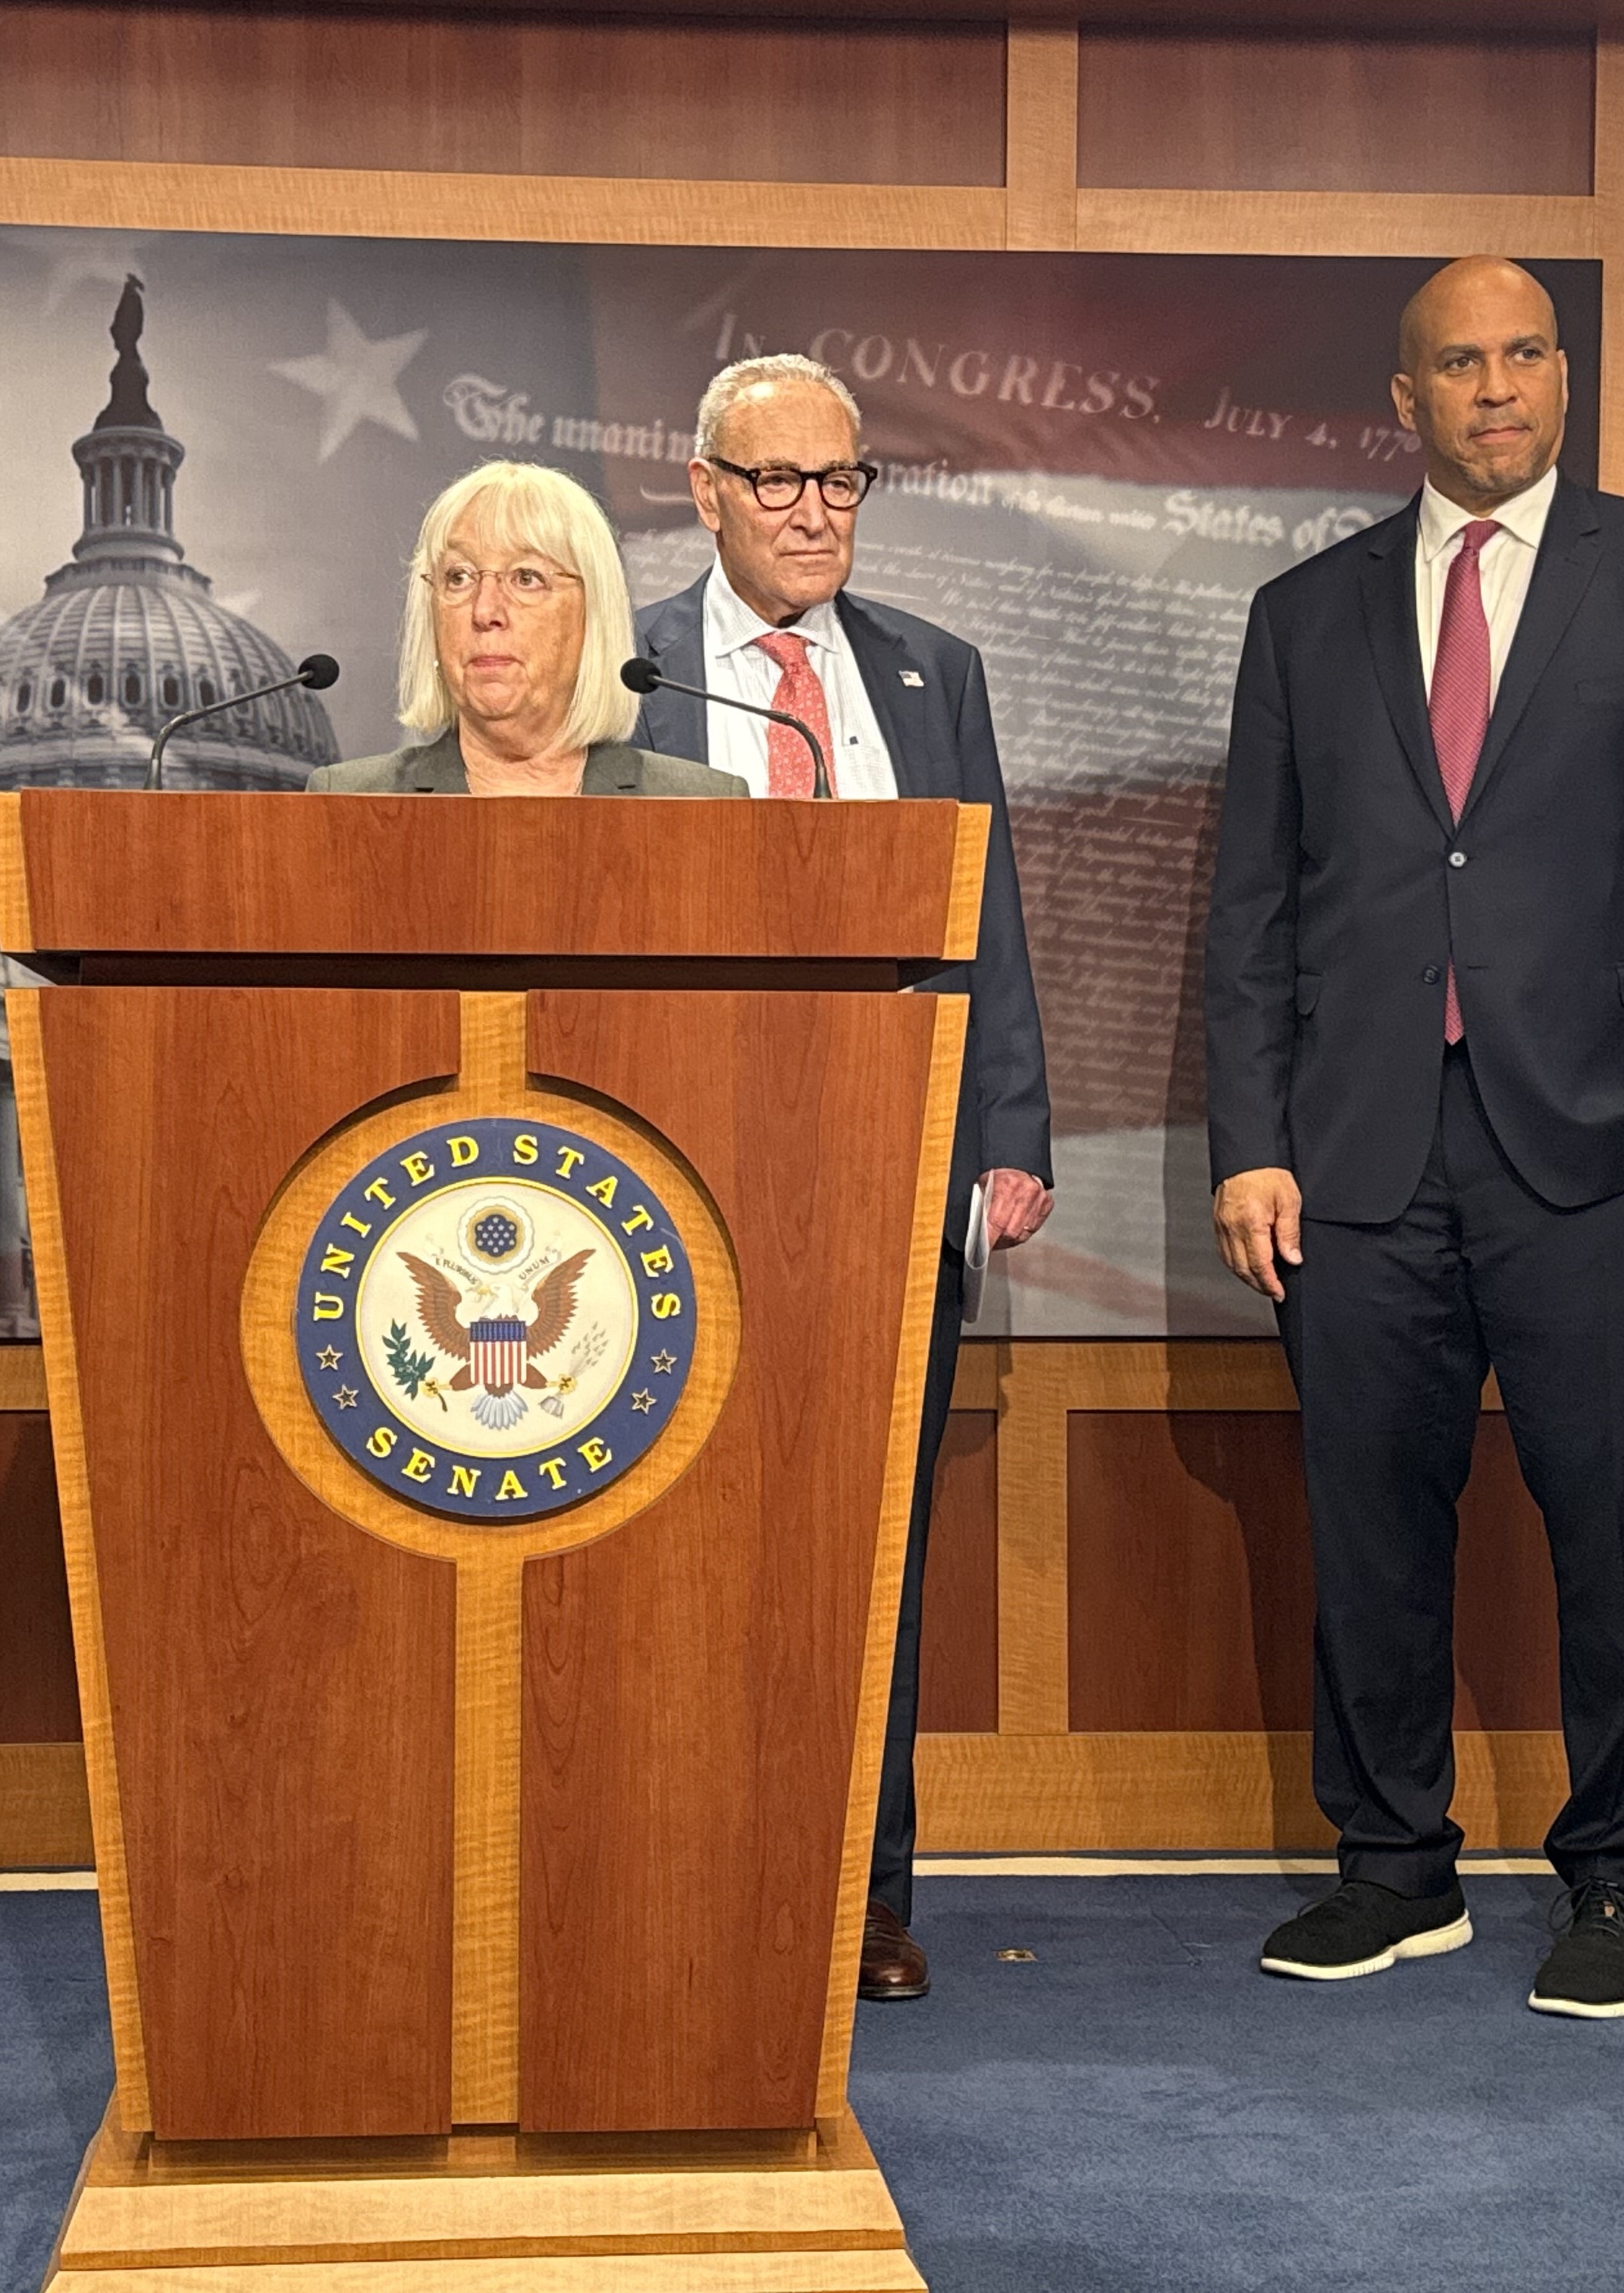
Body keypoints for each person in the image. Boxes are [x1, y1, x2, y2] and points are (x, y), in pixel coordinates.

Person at [1204, 256, 1624, 2018]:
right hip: (1358, 1159)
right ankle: (1393, 1868)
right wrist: (1254, 1137)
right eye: (1458, 361)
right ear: (1405, 398)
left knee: (1617, 1526)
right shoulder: (1305, 616)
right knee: (1370, 1523)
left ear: (1566, 373)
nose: (1496, 386)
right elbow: (1254, 909)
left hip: (1612, 1155)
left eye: (1525, 353)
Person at [632, 353, 1053, 2003]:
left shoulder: (934, 676)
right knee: (689, 1543)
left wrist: (1009, 1136)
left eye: (841, 483)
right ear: (704, 488)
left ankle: (865, 1898)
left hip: (898, 1175)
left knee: (869, 1543)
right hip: (688, 1178)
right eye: (779, 482)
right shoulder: (636, 669)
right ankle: (688, 1868)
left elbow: (988, 922)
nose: (815, 514)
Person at [312, 460, 740, 796]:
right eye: (458, 577)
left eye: (526, 578)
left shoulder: (700, 805)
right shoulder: (350, 800)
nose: (485, 610)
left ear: (593, 612)